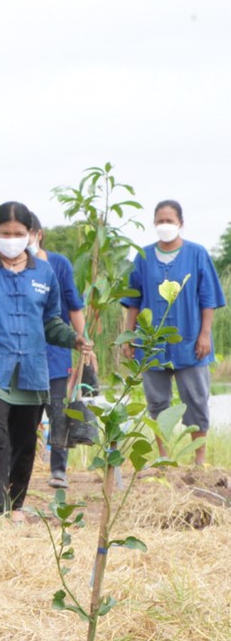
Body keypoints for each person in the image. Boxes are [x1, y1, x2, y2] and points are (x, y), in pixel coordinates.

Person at [0, 202, 92, 520]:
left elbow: (52, 322)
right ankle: (1, 512)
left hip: (32, 372)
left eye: (18, 233)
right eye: (5, 233)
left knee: (25, 445)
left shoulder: (44, 273)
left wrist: (74, 338)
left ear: (30, 235)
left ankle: (17, 505)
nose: (11, 239)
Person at [120, 199, 225, 466]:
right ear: (154, 223)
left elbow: (208, 297)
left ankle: (199, 460)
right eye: (160, 220)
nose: (165, 225)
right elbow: (133, 301)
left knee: (196, 399)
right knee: (157, 402)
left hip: (190, 340)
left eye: (170, 220)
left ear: (180, 223)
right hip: (152, 342)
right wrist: (128, 336)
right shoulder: (143, 257)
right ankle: (164, 458)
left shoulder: (197, 254)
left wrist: (205, 334)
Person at [27, 220, 93, 488]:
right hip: (24, 355)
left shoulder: (59, 265)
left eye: (27, 233)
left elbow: (75, 308)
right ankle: (21, 467)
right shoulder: (11, 268)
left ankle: (58, 469)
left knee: (58, 410)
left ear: (38, 235)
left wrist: (84, 342)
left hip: (56, 352)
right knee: (24, 415)